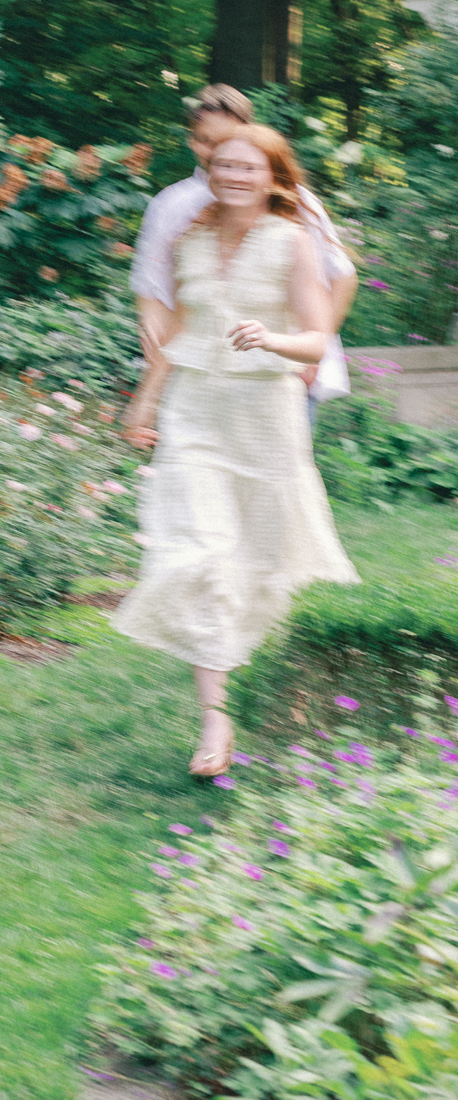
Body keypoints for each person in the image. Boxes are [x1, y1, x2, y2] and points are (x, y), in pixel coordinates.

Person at [116, 124, 359, 777]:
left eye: (248, 167)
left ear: (274, 177)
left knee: (262, 565)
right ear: (208, 169)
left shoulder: (293, 240)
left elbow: (316, 341)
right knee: (199, 554)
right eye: (223, 163)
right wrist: (144, 401)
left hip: (263, 417)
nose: (233, 175)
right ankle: (215, 719)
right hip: (195, 410)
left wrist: (274, 340)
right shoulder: (190, 238)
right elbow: (178, 331)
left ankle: (281, 689)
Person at [131, 86, 358, 417]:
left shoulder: (295, 200)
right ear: (192, 140)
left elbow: (342, 276)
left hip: (278, 372)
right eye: (206, 140)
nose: (214, 152)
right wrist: (155, 350)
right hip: (196, 373)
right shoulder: (172, 205)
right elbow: (153, 288)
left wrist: (310, 351)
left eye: (226, 140)